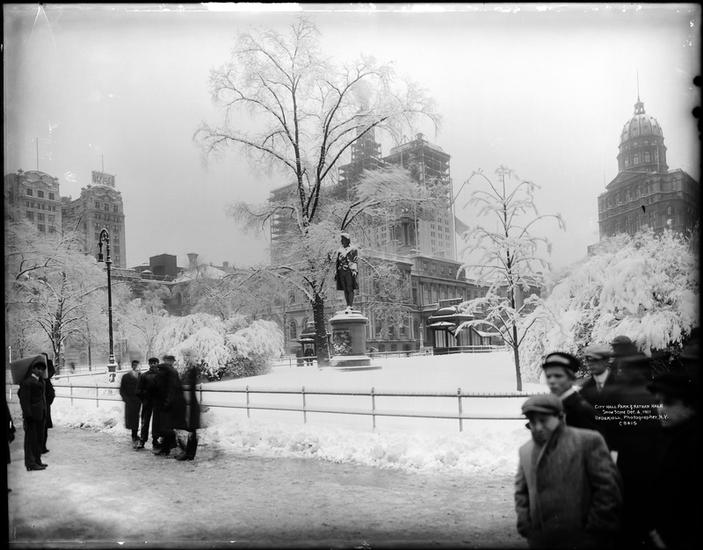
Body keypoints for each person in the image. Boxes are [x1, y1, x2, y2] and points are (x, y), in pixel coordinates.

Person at [514, 393, 622, 548]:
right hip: (542, 540)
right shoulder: (526, 450)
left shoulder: (588, 441)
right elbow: (521, 492)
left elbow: (608, 489)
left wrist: (595, 529)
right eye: (532, 421)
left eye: (544, 420)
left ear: (560, 417)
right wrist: (526, 525)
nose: (537, 427)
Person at [604, 354, 662, 548]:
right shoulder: (644, 392)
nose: (623, 373)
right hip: (634, 460)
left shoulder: (643, 394)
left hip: (640, 460)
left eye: (625, 370)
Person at [645, 372, 700, 550]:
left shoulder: (691, 444)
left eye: (668, 403)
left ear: (690, 406)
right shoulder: (667, 435)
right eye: (657, 403)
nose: (660, 409)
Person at [541, 351, 599, 431]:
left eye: (558, 376)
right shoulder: (549, 407)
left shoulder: (582, 411)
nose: (552, 381)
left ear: (571, 379)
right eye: (548, 376)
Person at [17, 357, 48, 471]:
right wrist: (28, 415)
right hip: (32, 417)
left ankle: (37, 460)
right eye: (38, 369)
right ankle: (31, 463)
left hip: (40, 415)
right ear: (33, 369)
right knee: (30, 441)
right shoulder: (27, 382)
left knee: (39, 440)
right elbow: (24, 400)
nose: (40, 371)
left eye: (42, 369)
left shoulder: (41, 381)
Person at [153, 355, 187, 456]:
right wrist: (168, 403)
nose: (171, 362)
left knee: (165, 427)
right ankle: (173, 448)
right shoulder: (171, 372)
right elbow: (171, 389)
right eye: (170, 360)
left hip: (163, 403)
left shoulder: (161, 371)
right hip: (168, 404)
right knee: (167, 427)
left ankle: (165, 448)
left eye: (172, 361)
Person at [176, 364, 200, 461]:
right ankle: (189, 453)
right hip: (190, 409)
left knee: (192, 431)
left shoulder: (191, 387)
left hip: (192, 410)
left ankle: (190, 454)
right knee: (191, 431)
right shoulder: (189, 387)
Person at [136, 357, 160, 450]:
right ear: (149, 364)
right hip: (147, 402)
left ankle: (155, 440)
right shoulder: (144, 376)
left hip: (158, 402)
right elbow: (138, 390)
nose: (153, 364)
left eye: (155, 363)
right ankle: (142, 440)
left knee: (156, 422)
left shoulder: (161, 376)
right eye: (151, 363)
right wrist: (144, 398)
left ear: (158, 363)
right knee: (145, 422)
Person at [119, 360, 142, 448]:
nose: (136, 367)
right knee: (131, 418)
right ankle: (134, 435)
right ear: (132, 366)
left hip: (138, 401)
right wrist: (126, 399)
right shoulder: (126, 376)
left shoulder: (141, 376)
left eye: (137, 365)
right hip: (129, 401)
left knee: (137, 418)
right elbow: (122, 390)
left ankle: (135, 434)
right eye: (134, 365)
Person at [334, 232, 359, 310]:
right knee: (345, 288)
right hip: (341, 272)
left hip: (349, 270)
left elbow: (355, 261)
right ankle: (347, 305)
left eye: (343, 240)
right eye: (341, 240)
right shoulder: (340, 251)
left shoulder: (353, 249)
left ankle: (350, 305)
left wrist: (354, 270)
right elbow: (337, 263)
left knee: (349, 288)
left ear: (347, 240)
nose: (341, 241)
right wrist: (336, 273)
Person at [41, 354, 56, 455]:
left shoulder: (48, 363)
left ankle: (47, 422)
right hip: (44, 392)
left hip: (47, 391)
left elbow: (51, 372)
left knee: (46, 408)